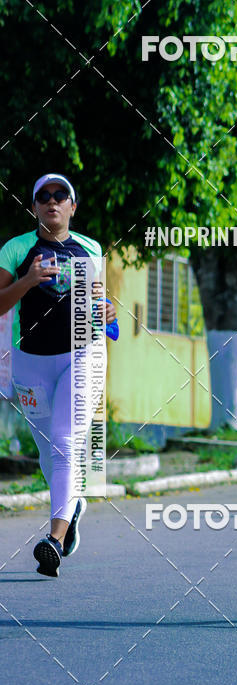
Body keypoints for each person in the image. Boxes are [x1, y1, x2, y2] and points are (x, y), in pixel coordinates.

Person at [0, 173, 117, 576]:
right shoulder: (16, 249)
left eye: (60, 195)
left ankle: (54, 538)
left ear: (72, 206)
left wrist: (109, 311)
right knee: (49, 450)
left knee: (65, 441)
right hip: (31, 360)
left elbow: (99, 303)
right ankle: (74, 505)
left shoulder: (90, 249)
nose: (52, 201)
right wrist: (28, 280)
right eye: (44, 196)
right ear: (34, 207)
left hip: (83, 353)